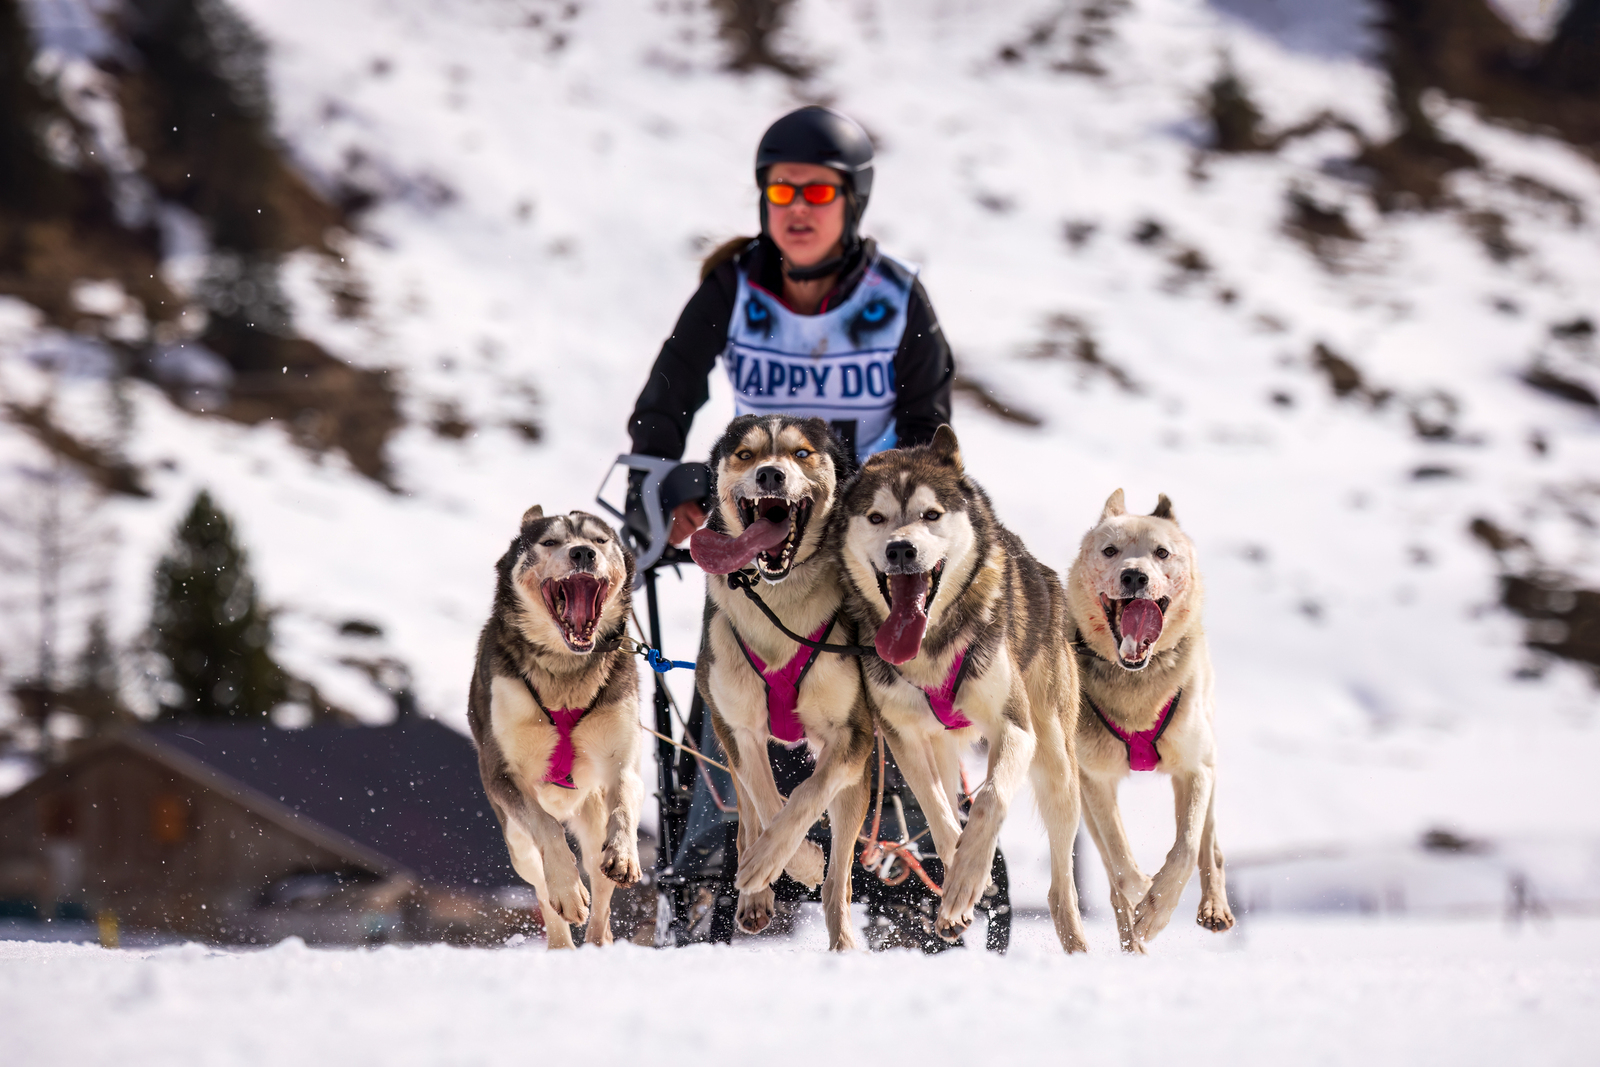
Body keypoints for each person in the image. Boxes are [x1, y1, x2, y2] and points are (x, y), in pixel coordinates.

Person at [627, 105, 955, 545]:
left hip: (867, 528)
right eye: (782, 192)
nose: (798, 207)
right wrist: (651, 494)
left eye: (818, 192)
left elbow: (925, 427)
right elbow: (670, 393)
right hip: (761, 517)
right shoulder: (731, 288)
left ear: (852, 200)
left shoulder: (897, 296)